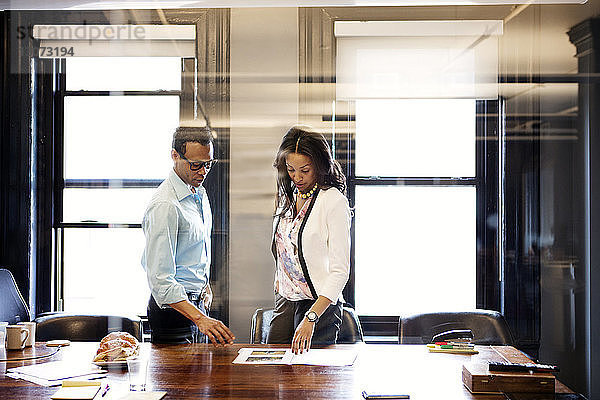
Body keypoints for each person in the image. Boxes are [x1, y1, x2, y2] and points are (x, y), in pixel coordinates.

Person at [141, 126, 235, 345]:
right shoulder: (165, 205)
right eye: (196, 165)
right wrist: (200, 318)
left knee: (201, 379)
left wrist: (204, 287)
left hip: (197, 305)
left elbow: (195, 250)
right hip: (173, 313)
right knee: (179, 380)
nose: (203, 172)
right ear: (175, 156)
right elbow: (160, 281)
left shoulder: (198, 193)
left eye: (208, 164)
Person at [268, 125, 351, 354]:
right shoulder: (288, 196)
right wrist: (280, 280)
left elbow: (340, 271)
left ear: (320, 165)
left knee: (308, 379)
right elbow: (284, 247)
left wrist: (311, 317)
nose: (297, 177)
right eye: (291, 169)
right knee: (270, 372)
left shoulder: (333, 201)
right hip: (286, 301)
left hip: (319, 306)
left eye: (304, 169)